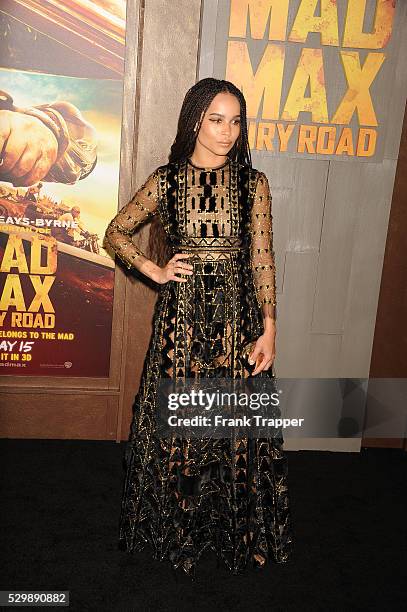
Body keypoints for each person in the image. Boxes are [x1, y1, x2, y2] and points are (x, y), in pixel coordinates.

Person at [104, 77, 293, 579]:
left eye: (235, 121)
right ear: (194, 120)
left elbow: (262, 259)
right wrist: (155, 270)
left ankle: (231, 530)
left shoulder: (254, 184)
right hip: (182, 319)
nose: (227, 131)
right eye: (216, 119)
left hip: (236, 318)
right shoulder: (166, 180)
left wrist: (270, 327)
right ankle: (178, 529)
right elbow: (116, 232)